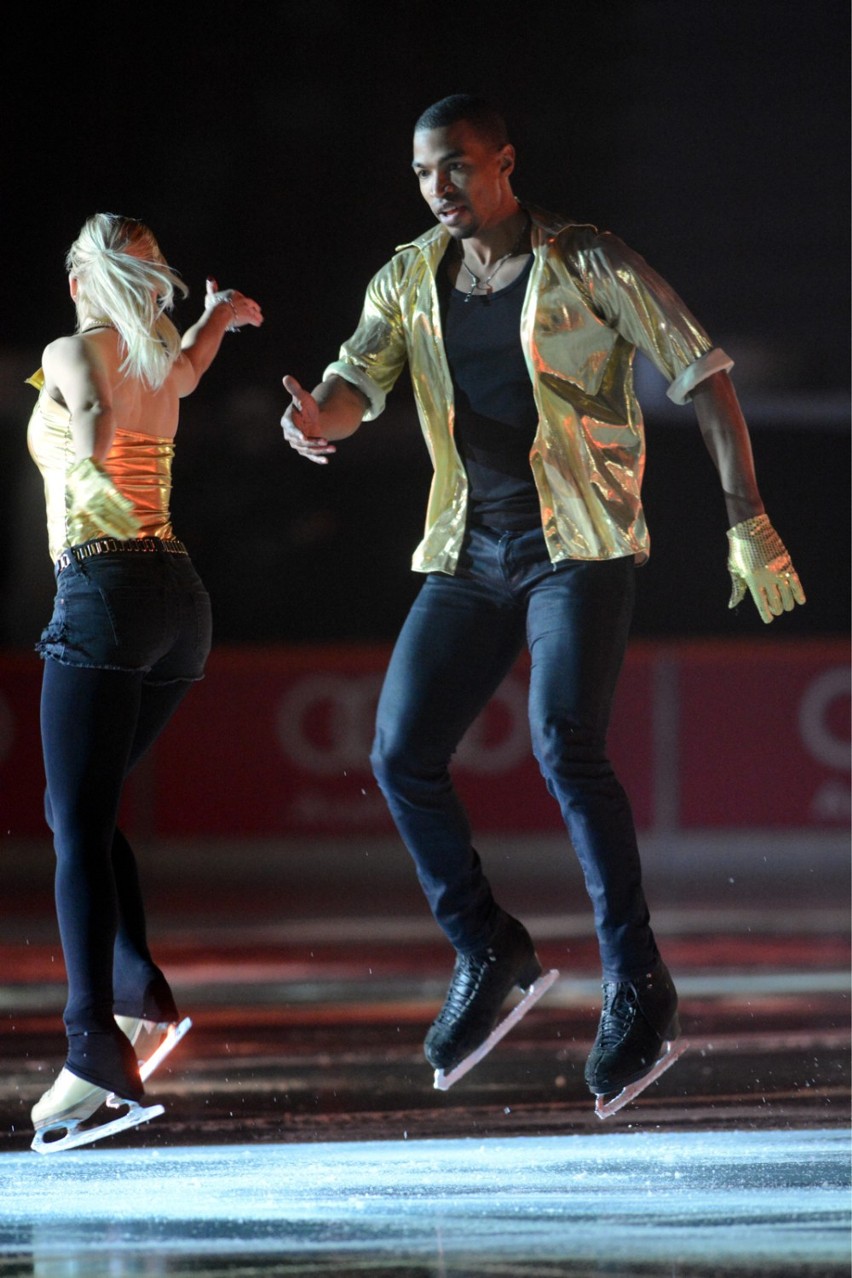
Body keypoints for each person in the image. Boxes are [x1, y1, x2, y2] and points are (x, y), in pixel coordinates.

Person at [280, 95, 805, 1114]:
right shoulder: (408, 277)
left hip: (581, 545)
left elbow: (704, 376)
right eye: (426, 173)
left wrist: (748, 519)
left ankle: (639, 985)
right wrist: (323, 418)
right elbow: (357, 374)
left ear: (505, 163)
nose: (441, 189)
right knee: (398, 754)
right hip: (469, 549)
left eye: (459, 169)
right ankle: (489, 948)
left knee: (565, 741)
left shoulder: (589, 261)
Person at [25, 212, 263, 1151]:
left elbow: (85, 409)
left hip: (106, 585)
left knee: (75, 825)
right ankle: (135, 996)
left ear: (83, 282)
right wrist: (219, 317)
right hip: (180, 606)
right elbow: (193, 370)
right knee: (78, 809)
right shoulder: (164, 362)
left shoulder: (74, 350)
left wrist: (91, 463)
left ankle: (97, 1044)